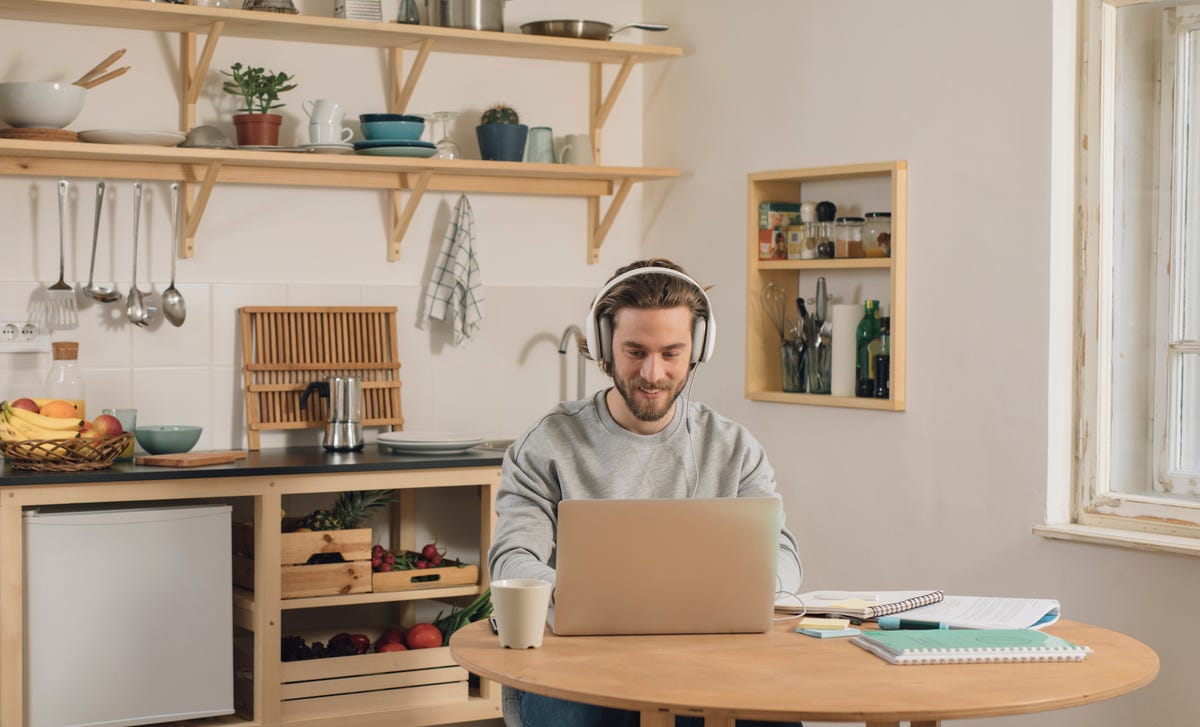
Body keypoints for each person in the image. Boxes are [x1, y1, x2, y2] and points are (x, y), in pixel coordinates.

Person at [488, 258, 803, 727]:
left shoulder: (734, 447)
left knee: (777, 718)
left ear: (698, 350)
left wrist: (752, 589)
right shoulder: (547, 446)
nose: (652, 373)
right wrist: (589, 601)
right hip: (580, 664)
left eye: (671, 353)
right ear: (603, 346)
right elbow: (513, 557)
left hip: (710, 660)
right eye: (635, 351)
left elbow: (783, 554)